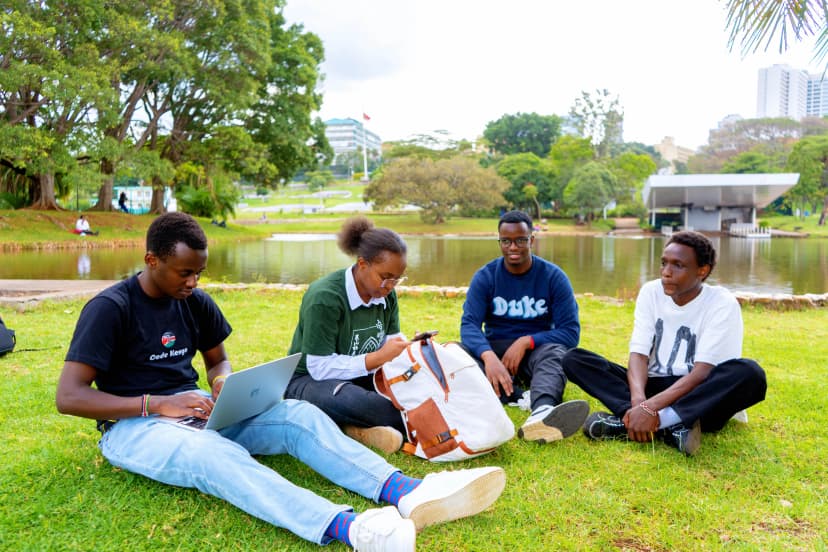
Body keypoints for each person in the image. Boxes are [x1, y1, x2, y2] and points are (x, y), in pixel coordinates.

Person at [56, 212, 506, 550]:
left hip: (196, 410)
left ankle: (406, 490)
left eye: (199, 273)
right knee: (212, 453)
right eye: (184, 272)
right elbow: (69, 397)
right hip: (133, 426)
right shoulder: (110, 308)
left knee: (296, 414)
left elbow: (218, 361)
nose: (193, 282)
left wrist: (222, 383)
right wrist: (155, 405)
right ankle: (350, 528)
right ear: (151, 260)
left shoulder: (194, 301)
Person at [562, 231, 767, 455]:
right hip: (655, 386)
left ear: (703, 270)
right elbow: (639, 355)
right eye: (664, 263)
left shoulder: (721, 303)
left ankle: (642, 423)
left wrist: (651, 409)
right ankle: (670, 427)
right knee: (575, 359)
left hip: (701, 396)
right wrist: (640, 401)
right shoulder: (651, 292)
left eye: (678, 265)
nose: (666, 273)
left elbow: (702, 373)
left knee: (750, 373)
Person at [460, 210, 588, 444]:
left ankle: (541, 412)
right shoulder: (486, 276)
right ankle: (521, 398)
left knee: (557, 353)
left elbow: (570, 332)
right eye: (506, 241)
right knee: (454, 354)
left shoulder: (553, 277)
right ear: (499, 241)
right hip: (495, 351)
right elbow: (469, 324)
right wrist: (488, 357)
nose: (513, 247)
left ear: (532, 240)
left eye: (521, 240)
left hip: (535, 354)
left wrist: (527, 341)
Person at [286, 216, 411, 455]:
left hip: (362, 377)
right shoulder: (326, 297)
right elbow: (319, 367)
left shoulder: (385, 294)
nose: (390, 285)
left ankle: (354, 428)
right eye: (385, 276)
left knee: (411, 392)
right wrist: (378, 358)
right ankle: (360, 423)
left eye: (397, 278)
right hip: (309, 381)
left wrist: (410, 348)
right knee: (369, 404)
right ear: (362, 264)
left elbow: (391, 342)